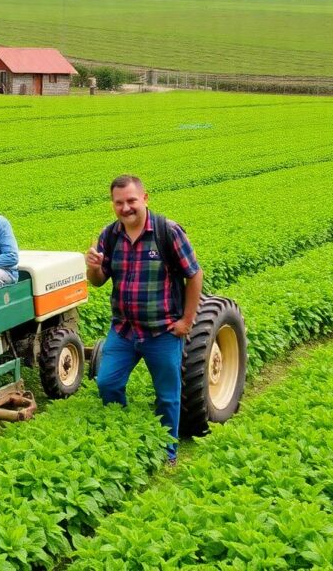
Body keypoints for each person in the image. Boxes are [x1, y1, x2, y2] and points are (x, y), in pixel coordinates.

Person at [85, 175, 203, 466]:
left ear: (145, 198)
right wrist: (93, 268)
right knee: (107, 383)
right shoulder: (109, 235)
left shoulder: (168, 232)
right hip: (124, 330)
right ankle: (125, 434)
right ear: (113, 204)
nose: (126, 208)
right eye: (119, 203)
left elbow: (194, 274)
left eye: (131, 201)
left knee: (167, 396)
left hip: (162, 332)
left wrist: (187, 321)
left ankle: (167, 452)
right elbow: (98, 282)